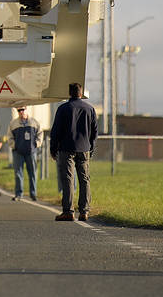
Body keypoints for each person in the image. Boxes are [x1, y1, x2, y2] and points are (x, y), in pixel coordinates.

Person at [49, 81, 98, 222]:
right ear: (81, 93)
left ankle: (68, 211)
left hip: (66, 149)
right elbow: (95, 132)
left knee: (68, 180)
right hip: (84, 149)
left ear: (69, 93)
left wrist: (53, 149)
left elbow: (56, 131)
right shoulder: (90, 109)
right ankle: (84, 211)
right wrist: (91, 147)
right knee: (84, 180)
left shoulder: (63, 109)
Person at [8, 105, 43, 201]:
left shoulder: (34, 122)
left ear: (26, 110)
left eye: (22, 110)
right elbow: (10, 137)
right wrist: (14, 146)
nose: (21, 112)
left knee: (32, 173)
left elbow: (40, 134)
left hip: (31, 152)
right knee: (18, 173)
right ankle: (19, 194)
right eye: (19, 110)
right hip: (18, 152)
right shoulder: (13, 123)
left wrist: (37, 144)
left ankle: (33, 193)